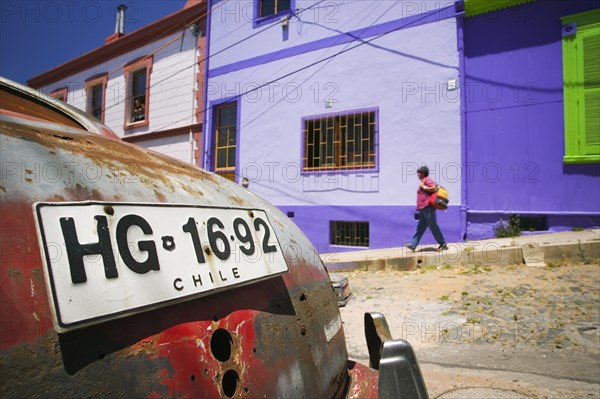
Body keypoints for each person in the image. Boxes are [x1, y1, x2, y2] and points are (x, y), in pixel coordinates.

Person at [408, 166, 448, 252]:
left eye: (419, 173)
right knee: (420, 227)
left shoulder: (427, 180)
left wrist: (424, 187)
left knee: (433, 226)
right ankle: (413, 245)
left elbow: (433, 187)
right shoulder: (423, 181)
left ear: (423, 173)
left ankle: (443, 244)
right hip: (423, 208)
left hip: (428, 207)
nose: (418, 174)